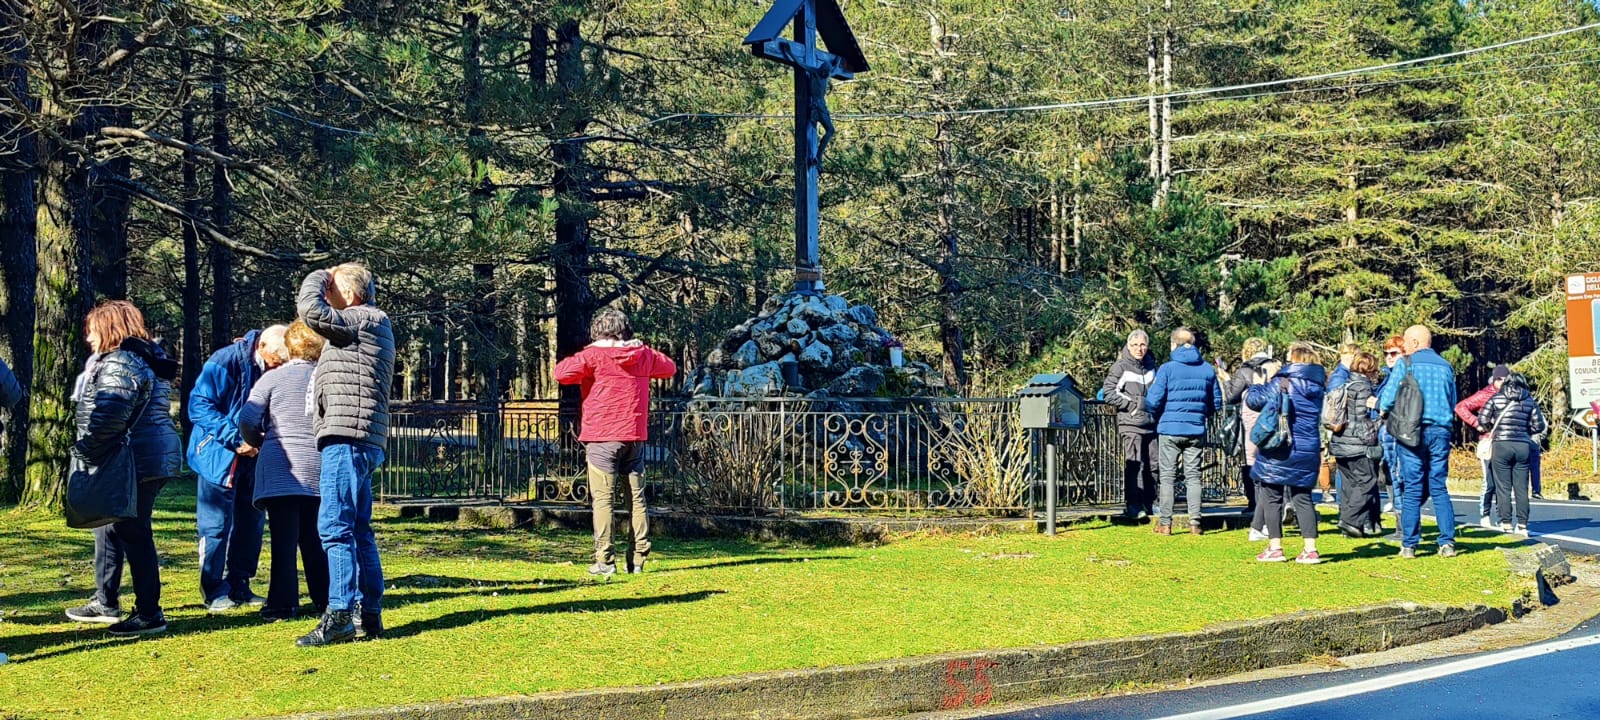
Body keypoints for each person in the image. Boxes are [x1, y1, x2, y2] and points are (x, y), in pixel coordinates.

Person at [63, 301, 182, 636]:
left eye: (92, 329)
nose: (88, 337)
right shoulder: (144, 358)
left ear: (109, 328)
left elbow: (110, 414)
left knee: (133, 530)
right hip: (147, 454)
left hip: (134, 457)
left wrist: (86, 449)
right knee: (113, 526)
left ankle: (149, 613)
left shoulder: (121, 362)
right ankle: (107, 600)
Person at [294, 262, 395, 647]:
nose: (327, 296)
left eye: (332, 289)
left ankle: (339, 614)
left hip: (347, 436)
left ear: (349, 295)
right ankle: (369, 613)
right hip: (361, 436)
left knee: (334, 527)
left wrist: (320, 274)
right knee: (357, 528)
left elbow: (310, 311)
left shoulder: (358, 319)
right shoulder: (369, 323)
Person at [555, 308, 678, 577]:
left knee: (603, 500)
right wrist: (641, 348)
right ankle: (637, 560)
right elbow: (669, 368)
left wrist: (593, 348)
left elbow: (561, 373)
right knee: (637, 499)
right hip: (633, 436)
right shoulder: (642, 354)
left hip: (601, 438)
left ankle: (605, 561)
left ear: (599, 333)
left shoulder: (593, 356)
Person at [189, 324, 287, 611]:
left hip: (255, 458)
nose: (277, 367)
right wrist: (236, 439)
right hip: (218, 457)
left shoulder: (273, 365)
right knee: (215, 525)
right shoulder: (225, 360)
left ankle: (240, 584)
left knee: (251, 524)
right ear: (263, 348)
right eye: (275, 361)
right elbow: (199, 405)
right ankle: (214, 589)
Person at [239, 321, 329, 621]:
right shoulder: (326, 379)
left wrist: (258, 441)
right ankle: (326, 598)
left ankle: (282, 602)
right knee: (316, 538)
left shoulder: (272, 379)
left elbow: (249, 419)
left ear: (289, 347)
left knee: (283, 540)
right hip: (317, 464)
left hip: (281, 466)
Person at [1378, 325, 1459, 559]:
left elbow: (1388, 398)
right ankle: (1446, 542)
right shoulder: (1446, 366)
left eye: (1405, 343)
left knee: (1412, 487)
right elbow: (1452, 399)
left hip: (1411, 431)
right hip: (1440, 430)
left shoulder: (1406, 363)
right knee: (1438, 486)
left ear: (1413, 343)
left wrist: (1383, 411)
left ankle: (1409, 545)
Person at [1245, 342, 1327, 563]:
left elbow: (1254, 401)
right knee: (1303, 497)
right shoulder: (1318, 386)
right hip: (1307, 447)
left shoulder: (1283, 381)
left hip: (1281, 446)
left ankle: (1275, 547)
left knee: (1272, 496)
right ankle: (1310, 549)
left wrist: (1258, 383)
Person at [1143, 327, 1223, 536]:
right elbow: (1216, 402)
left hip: (1169, 428)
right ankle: (1195, 523)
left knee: (1167, 477)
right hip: (1195, 429)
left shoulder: (1167, 369)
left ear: (1173, 344)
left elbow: (1152, 400)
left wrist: (1159, 413)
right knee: (1193, 476)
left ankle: (1165, 523)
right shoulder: (1207, 369)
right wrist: (1202, 415)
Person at [1477, 373, 1547, 536]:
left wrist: (1491, 429)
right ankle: (1522, 525)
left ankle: (1506, 522)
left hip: (1501, 444)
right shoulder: (1529, 400)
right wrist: (1524, 430)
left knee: (1503, 487)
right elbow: (1539, 426)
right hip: (1523, 445)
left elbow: (1482, 419)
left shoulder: (1496, 398)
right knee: (1522, 487)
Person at [1221, 338, 1275, 540]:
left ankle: (1255, 503)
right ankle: (1274, 504)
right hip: (1272, 420)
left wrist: (1225, 378)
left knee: (1250, 462)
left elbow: (1231, 396)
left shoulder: (1245, 371)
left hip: (1251, 422)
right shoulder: (1275, 367)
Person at [1101, 330, 1157, 520]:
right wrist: (1133, 405)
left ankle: (1150, 503)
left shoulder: (1151, 366)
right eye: (1135, 345)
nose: (1139, 349)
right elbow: (1108, 392)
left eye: (1142, 345)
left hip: (1151, 423)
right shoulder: (1120, 367)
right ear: (1128, 346)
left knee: (1154, 465)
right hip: (1130, 423)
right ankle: (1134, 505)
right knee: (1134, 465)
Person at [1328, 352, 1384, 537]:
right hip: (1357, 444)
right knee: (1367, 482)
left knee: (1350, 485)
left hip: (1340, 441)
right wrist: (1380, 419)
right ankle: (1350, 519)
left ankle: (1350, 525)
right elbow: (1361, 421)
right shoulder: (1364, 388)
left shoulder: (1345, 384)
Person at [1456, 364, 1509, 528]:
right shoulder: (1485, 394)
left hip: (1507, 441)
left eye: (1505, 379)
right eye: (1500, 379)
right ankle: (1485, 515)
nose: (1503, 382)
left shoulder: (1511, 393)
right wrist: (1477, 423)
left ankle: (1503, 518)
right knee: (1489, 481)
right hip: (1488, 442)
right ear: (1494, 380)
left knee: (1504, 482)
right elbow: (1460, 407)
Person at [1374, 336, 1406, 517]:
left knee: (1398, 476)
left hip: (1397, 430)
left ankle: (1404, 525)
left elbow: (1399, 402)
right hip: (1385, 430)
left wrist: (1377, 404)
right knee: (1389, 474)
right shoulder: (1388, 376)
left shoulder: (1403, 376)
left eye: (1394, 353)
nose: (1389, 357)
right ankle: (1399, 517)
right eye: (1386, 353)